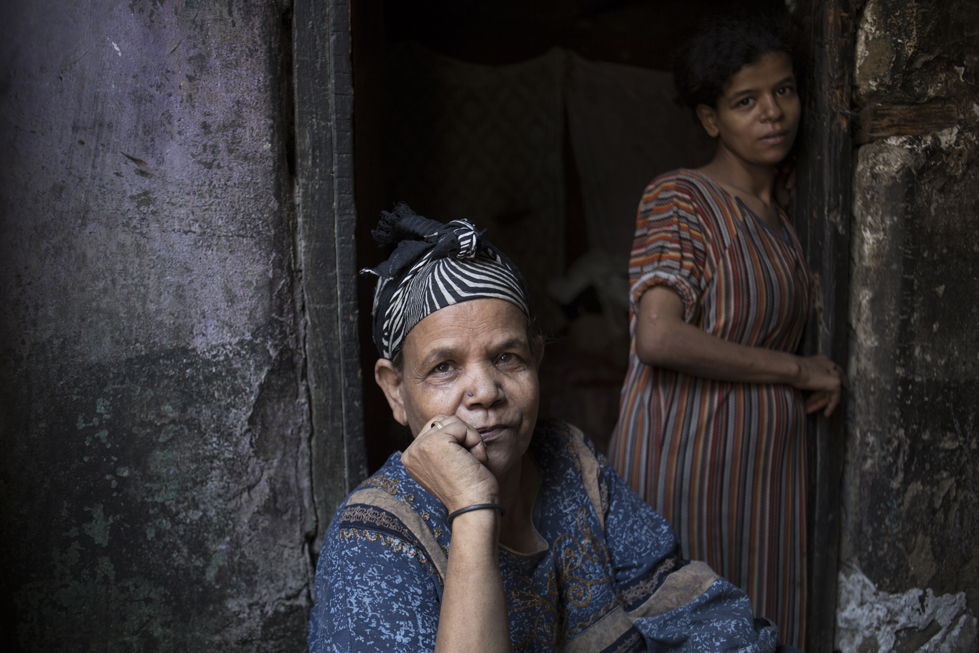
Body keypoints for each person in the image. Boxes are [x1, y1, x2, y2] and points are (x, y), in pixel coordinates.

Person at [308, 204, 799, 652]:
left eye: (508, 357)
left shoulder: (567, 456)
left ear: (537, 361)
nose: (485, 391)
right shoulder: (370, 539)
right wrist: (474, 510)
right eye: (444, 368)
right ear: (395, 391)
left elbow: (677, 601)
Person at [607, 15, 849, 649]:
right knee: (692, 622)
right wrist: (800, 370)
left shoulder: (786, 215)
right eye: (746, 101)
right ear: (712, 119)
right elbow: (658, 337)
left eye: (785, 91)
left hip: (765, 471)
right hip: (688, 453)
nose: (773, 113)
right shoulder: (682, 199)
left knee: (759, 619)